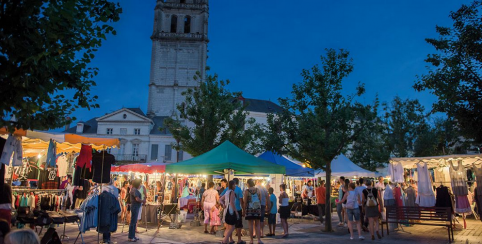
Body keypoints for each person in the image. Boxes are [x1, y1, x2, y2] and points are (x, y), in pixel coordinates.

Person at [243, 179, 262, 244]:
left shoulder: (247, 191)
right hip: (257, 209)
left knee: (250, 225)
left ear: (248, 184)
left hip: (249, 209)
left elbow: (245, 202)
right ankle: (259, 240)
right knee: (257, 224)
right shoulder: (258, 190)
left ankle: (251, 240)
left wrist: (244, 210)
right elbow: (260, 199)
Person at [232, 178, 245, 244]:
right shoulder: (239, 189)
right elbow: (241, 201)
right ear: (238, 182)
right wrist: (243, 210)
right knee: (238, 225)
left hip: (230, 209)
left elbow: (221, 196)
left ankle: (230, 239)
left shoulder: (228, 189)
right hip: (238, 209)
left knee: (231, 224)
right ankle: (239, 240)